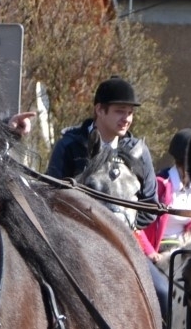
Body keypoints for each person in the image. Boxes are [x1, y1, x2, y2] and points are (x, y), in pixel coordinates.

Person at [46, 76, 159, 231]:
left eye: (130, 113)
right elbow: (52, 196)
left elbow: (150, 206)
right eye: (120, 111)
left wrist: (122, 231)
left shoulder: (139, 151)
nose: (126, 119)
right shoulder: (68, 146)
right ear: (99, 110)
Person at [140, 127, 191, 273]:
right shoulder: (159, 184)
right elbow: (137, 225)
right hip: (158, 253)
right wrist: (150, 253)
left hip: (184, 252)